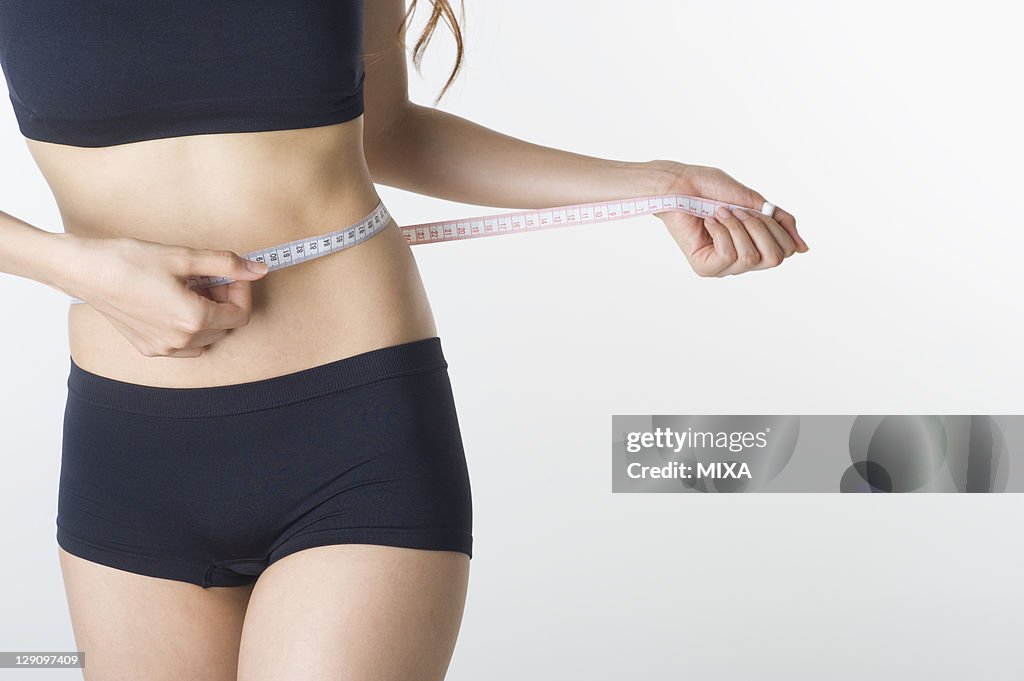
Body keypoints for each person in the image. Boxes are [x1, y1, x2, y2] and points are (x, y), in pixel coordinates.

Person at [0, 1, 808, 678]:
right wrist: (76, 267)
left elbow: (388, 130)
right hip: (133, 453)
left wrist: (654, 186)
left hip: (353, 428)